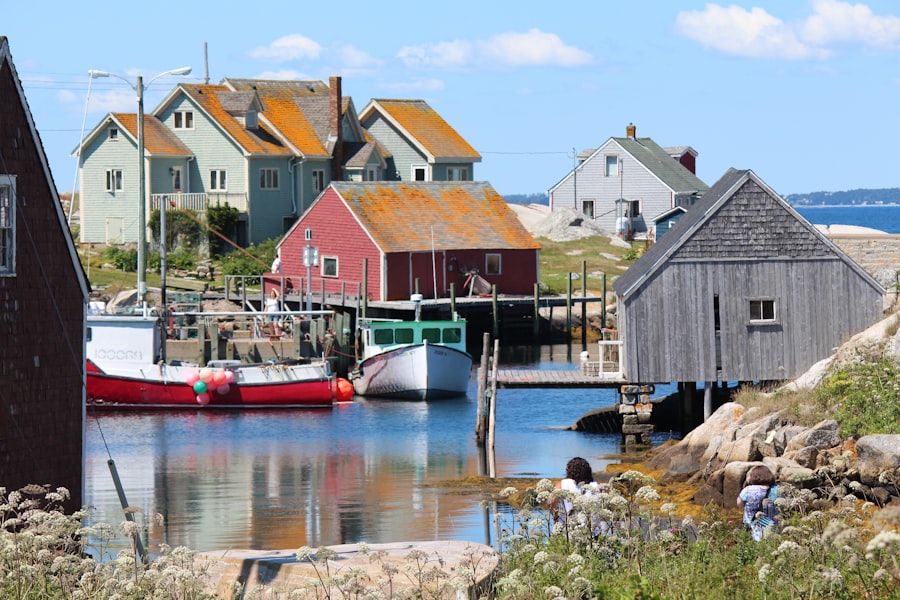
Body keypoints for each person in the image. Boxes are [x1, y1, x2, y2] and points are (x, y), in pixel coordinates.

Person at [551, 457, 609, 535]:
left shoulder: (561, 484)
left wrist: (555, 517)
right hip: (592, 532)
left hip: (567, 531)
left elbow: (551, 502)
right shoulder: (596, 486)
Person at [737, 465, 779, 541]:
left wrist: (748, 482)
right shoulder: (777, 489)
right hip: (774, 530)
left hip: (753, 531)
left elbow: (739, 504)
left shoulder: (748, 490)